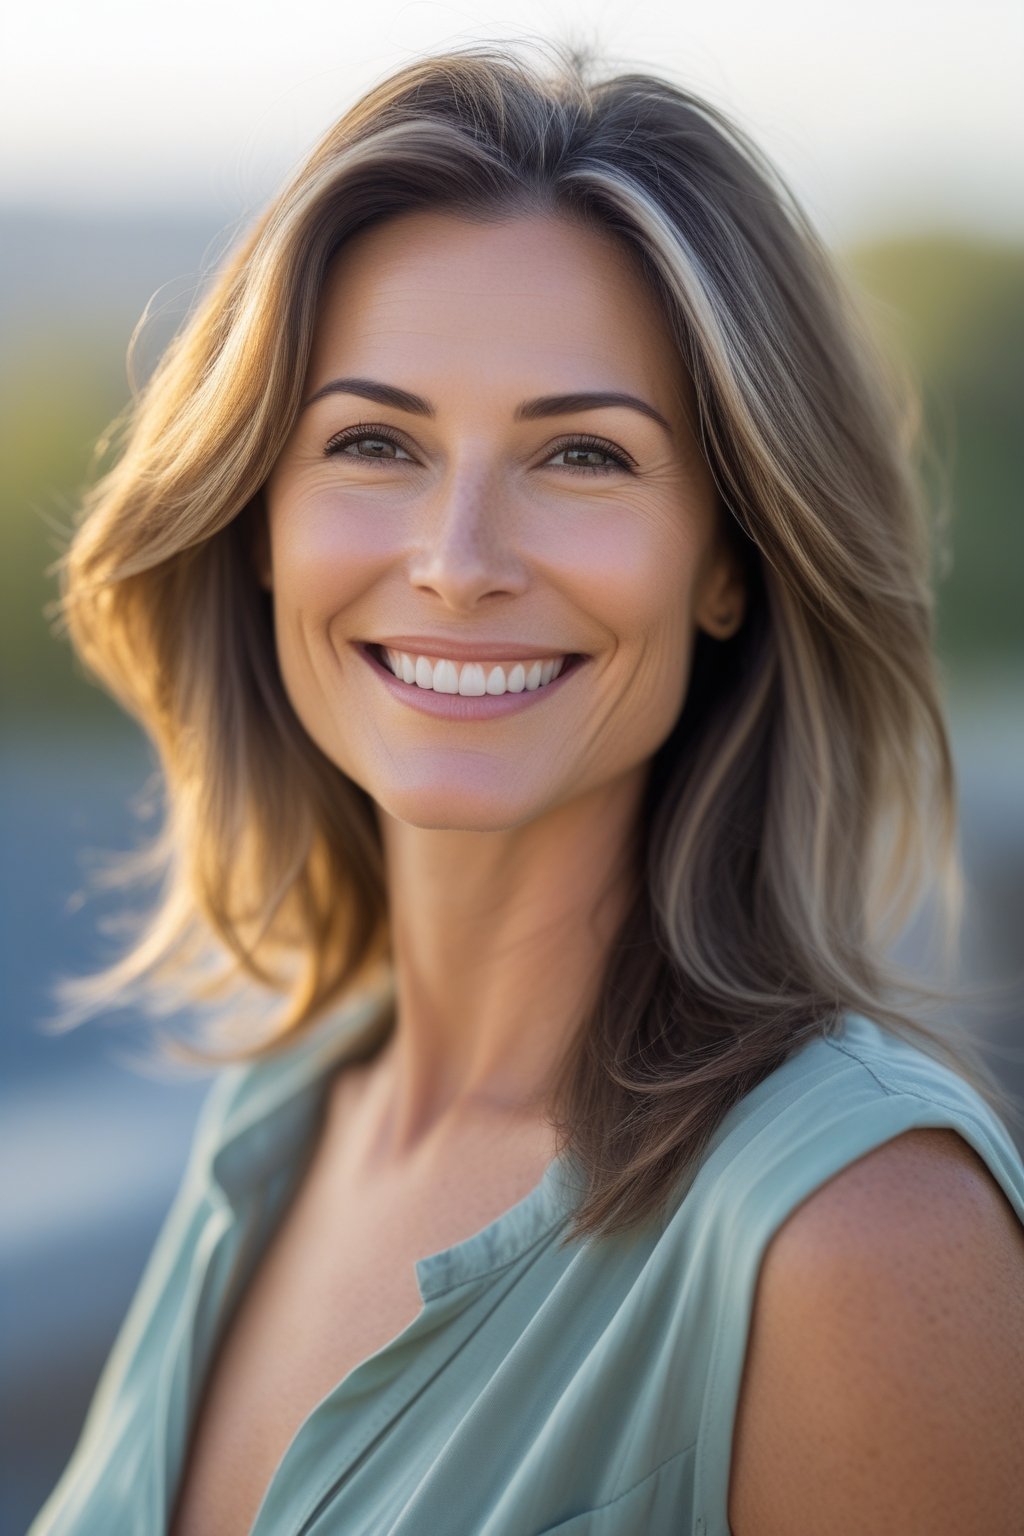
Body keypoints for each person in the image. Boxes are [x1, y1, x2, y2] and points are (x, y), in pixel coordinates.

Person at [30, 40, 1024, 1536]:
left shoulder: (860, 1238)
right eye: (374, 441)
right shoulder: (281, 1116)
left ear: (730, 564)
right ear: (258, 522)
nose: (459, 561)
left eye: (582, 456)